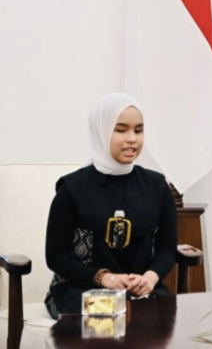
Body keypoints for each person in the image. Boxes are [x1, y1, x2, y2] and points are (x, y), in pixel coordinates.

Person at [44, 93, 177, 318]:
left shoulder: (157, 186)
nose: (132, 139)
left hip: (140, 291)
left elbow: (167, 248)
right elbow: (55, 256)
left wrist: (151, 278)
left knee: (158, 321)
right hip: (79, 291)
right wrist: (105, 278)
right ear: (101, 131)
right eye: (121, 129)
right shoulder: (72, 188)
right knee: (107, 319)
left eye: (138, 130)